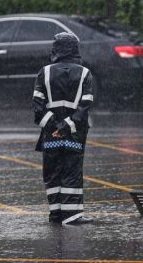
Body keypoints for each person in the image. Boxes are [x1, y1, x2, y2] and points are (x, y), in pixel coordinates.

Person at [32, 32, 94, 225]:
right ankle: (72, 216)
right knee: (72, 173)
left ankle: (56, 214)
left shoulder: (45, 72)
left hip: (50, 135)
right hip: (74, 135)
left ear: (56, 49)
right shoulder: (84, 73)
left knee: (52, 173)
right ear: (75, 49)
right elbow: (85, 106)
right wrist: (67, 126)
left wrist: (54, 126)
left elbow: (37, 105)